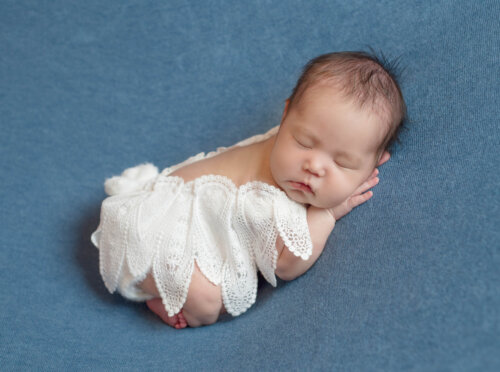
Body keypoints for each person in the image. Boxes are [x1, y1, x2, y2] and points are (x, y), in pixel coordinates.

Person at [91, 51, 407, 329]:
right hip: (150, 235)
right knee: (209, 302)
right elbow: (287, 264)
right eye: (304, 142)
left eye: (343, 162)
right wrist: (327, 213)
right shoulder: (269, 201)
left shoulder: (297, 147)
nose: (314, 166)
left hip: (163, 217)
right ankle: (165, 300)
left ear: (375, 163)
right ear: (285, 117)